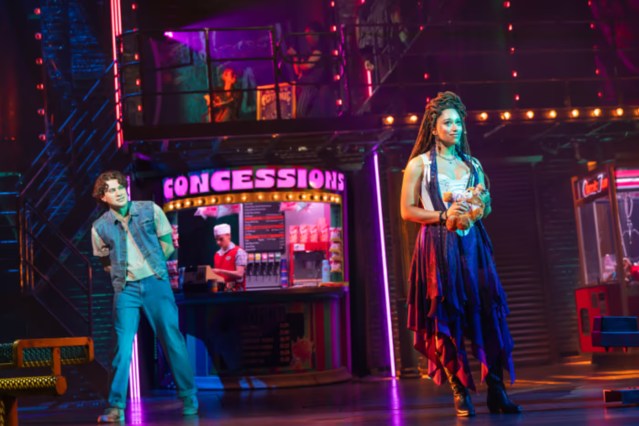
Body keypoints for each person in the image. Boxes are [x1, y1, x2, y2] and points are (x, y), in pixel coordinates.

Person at [400, 91, 521, 417]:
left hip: (473, 245)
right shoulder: (419, 165)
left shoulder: (472, 164)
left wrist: (481, 206)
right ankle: (460, 391)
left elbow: (485, 208)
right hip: (438, 247)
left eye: (458, 122)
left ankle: (496, 389)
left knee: (489, 314)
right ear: (433, 127)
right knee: (448, 315)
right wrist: (444, 215)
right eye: (448, 123)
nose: (455, 128)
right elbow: (407, 211)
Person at [91, 171, 198, 423]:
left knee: (171, 339)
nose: (118, 192)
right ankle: (115, 406)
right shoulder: (100, 227)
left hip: (155, 283)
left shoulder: (150, 209)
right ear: (103, 197)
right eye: (111, 190)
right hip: (126, 289)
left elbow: (167, 245)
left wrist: (152, 268)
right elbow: (105, 262)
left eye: (120, 187)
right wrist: (124, 274)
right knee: (122, 347)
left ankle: (188, 396)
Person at [286, 22, 334, 118]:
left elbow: (307, 66)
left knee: (300, 112)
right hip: (303, 85)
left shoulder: (320, 50)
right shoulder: (309, 52)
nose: (307, 37)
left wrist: (296, 56)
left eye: (308, 34)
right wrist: (295, 58)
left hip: (311, 86)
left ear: (315, 34)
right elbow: (298, 71)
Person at [212, 223, 247, 291]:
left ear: (229, 236)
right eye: (216, 239)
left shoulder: (239, 252)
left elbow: (240, 274)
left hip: (237, 292)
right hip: (221, 292)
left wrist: (220, 271)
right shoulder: (217, 254)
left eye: (221, 239)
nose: (218, 242)